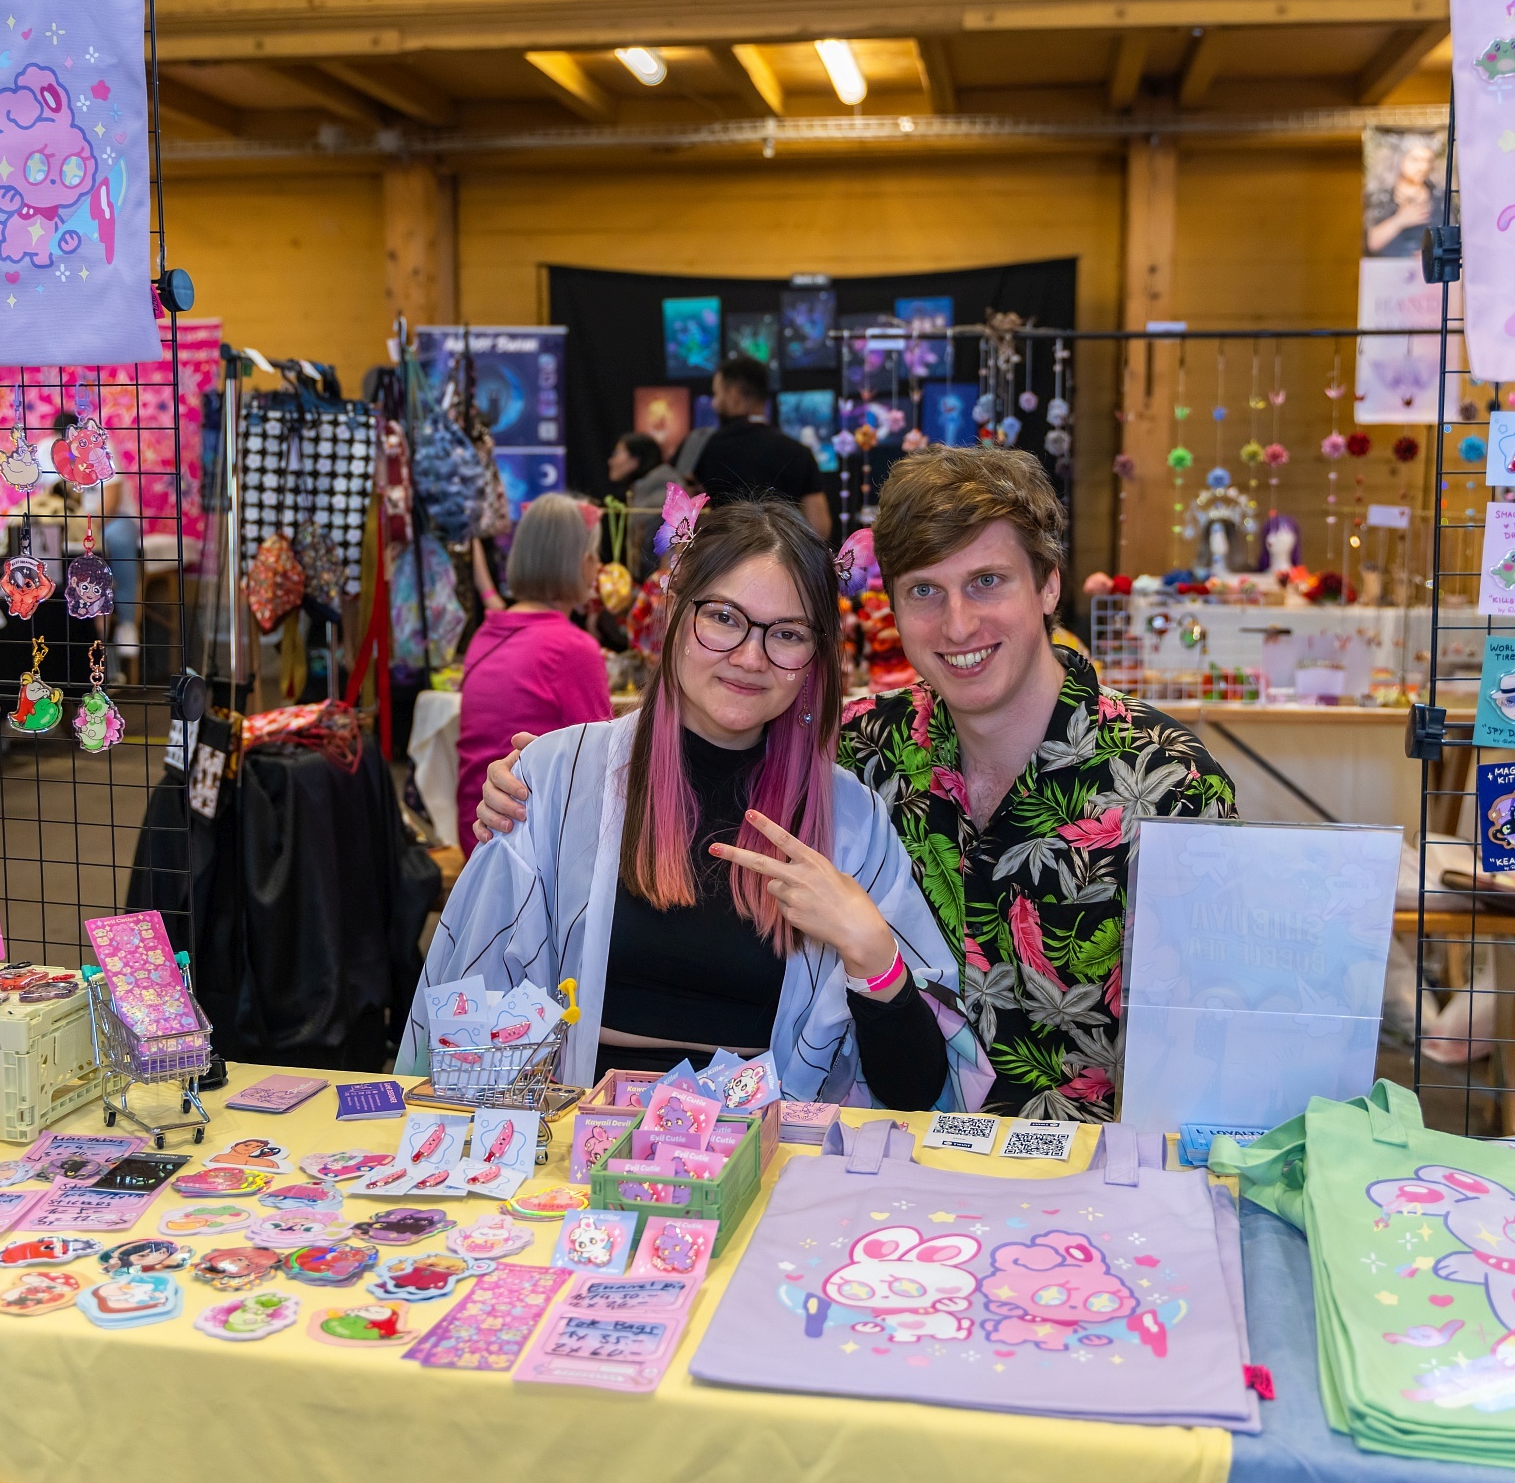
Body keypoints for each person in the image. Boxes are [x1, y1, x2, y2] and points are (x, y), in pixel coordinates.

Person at [478, 446, 1236, 1121]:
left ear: (1048, 587)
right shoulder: (865, 753)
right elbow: (713, 735)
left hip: (1088, 1177)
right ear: (891, 608)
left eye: (987, 581)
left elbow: (1217, 1046)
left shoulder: (1168, 784)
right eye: (925, 591)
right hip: (899, 1173)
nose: (958, 624)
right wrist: (543, 786)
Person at [400, 499, 983, 1111]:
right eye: (724, 618)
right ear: (675, 612)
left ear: (814, 658)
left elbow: (918, 1094)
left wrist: (873, 953)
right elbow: (467, 1025)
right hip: (575, 1145)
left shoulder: (848, 823)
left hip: (769, 1152)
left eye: (787, 634)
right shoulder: (555, 779)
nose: (751, 657)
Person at [452, 493, 614, 838]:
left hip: (476, 828)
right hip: (525, 836)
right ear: (581, 561)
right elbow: (601, 764)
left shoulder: (487, 633)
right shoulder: (571, 647)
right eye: (594, 554)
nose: (598, 565)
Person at [691, 355, 831, 540]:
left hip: (723, 553)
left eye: (716, 394)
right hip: (781, 553)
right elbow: (819, 528)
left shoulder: (702, 448)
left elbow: (683, 520)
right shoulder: (799, 453)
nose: (714, 403)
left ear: (733, 395)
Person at [604, 430, 688, 572]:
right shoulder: (643, 491)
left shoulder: (665, 493)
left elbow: (668, 554)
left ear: (635, 459)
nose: (611, 461)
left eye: (616, 453)